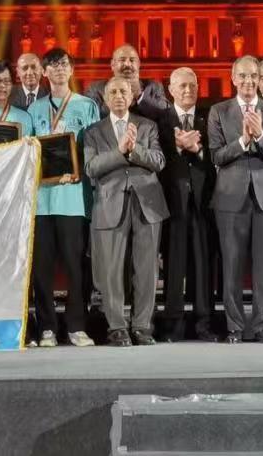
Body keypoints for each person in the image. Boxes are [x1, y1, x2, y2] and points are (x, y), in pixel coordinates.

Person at [82, 78, 168, 347]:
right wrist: (120, 151)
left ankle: (142, 326)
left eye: (124, 91)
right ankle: (117, 327)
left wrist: (135, 150)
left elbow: (159, 161)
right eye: (113, 92)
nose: (119, 96)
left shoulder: (148, 126)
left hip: (147, 203)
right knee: (111, 270)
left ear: (131, 97)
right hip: (109, 204)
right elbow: (91, 167)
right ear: (105, 99)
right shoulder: (93, 131)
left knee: (146, 269)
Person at [208, 55, 263, 344]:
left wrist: (261, 135)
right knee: (232, 265)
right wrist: (242, 141)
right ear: (233, 79)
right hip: (230, 198)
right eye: (242, 76)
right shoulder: (219, 111)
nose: (249, 81)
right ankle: (235, 328)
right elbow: (216, 155)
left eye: (254, 75)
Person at [27, 48, 98, 348]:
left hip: (74, 199)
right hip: (42, 201)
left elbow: (94, 147)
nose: (58, 69)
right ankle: (46, 328)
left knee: (75, 266)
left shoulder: (87, 106)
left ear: (71, 70)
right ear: (44, 72)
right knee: (42, 268)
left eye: (64, 64)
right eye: (52, 65)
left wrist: (81, 171)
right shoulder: (33, 110)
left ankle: (77, 326)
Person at [156, 66, 216, 342]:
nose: (188, 90)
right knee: (173, 265)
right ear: (170, 90)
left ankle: (205, 324)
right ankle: (173, 325)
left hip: (204, 204)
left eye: (192, 85)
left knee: (204, 265)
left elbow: (218, 158)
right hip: (172, 204)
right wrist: (178, 147)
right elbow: (157, 161)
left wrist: (199, 150)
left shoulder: (209, 118)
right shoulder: (160, 121)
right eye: (182, 85)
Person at [86, 44, 169, 119]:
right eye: (122, 60)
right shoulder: (95, 88)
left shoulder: (154, 87)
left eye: (132, 60)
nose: (127, 64)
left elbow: (165, 114)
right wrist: (114, 96)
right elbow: (91, 117)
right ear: (112, 65)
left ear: (139, 64)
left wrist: (139, 95)